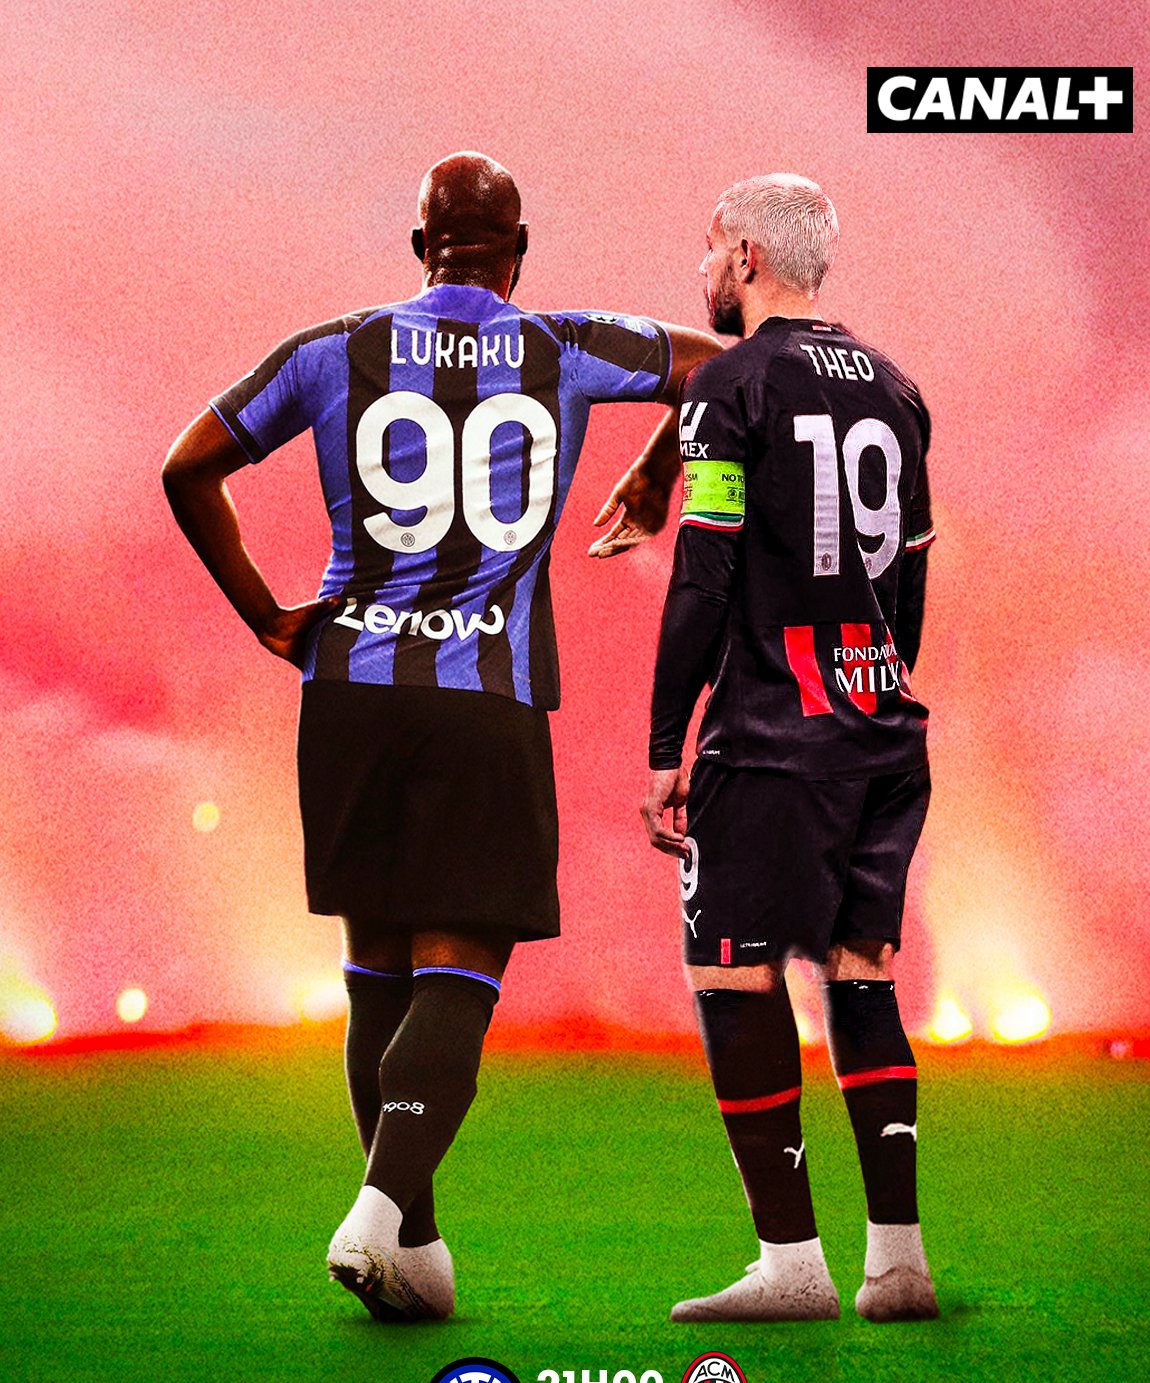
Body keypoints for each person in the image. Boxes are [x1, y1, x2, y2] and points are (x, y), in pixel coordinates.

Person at [162, 152, 720, 1322]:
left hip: (351, 694)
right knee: (461, 971)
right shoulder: (564, 348)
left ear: (421, 249)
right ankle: (376, 1214)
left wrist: (265, 615)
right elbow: (723, 369)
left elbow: (189, 467)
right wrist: (657, 468)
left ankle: (411, 1246)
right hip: (481, 696)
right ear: (520, 253)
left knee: (377, 970)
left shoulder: (330, 350)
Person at [640, 174, 938, 1323]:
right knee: (861, 972)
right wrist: (874, 684)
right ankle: (898, 1263)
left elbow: (705, 569)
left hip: (771, 739)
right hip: (880, 730)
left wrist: (666, 740)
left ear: (750, 259)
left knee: (733, 970)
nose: (704, 269)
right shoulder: (899, 390)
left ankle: (793, 1265)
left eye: (711, 248)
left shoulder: (728, 387)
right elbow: (909, 578)